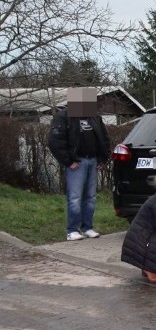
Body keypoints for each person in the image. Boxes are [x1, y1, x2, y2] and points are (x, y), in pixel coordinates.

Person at [47, 87, 112, 241]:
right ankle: (72, 230)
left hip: (93, 161)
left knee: (90, 197)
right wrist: (69, 161)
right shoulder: (63, 117)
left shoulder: (94, 117)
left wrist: (102, 159)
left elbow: (104, 138)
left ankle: (87, 227)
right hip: (77, 163)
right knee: (75, 197)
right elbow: (55, 141)